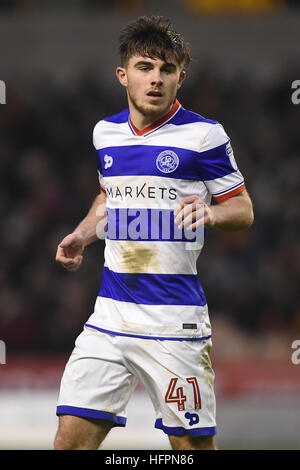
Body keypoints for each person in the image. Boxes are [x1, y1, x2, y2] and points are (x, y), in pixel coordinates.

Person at [54, 15, 254, 450]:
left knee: (190, 450)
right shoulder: (105, 134)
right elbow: (109, 196)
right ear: (123, 75)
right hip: (109, 317)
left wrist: (212, 214)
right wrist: (83, 234)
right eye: (145, 67)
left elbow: (242, 209)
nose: (156, 79)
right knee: (69, 442)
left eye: (167, 70)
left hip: (174, 322)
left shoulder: (204, 135)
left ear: (181, 78)